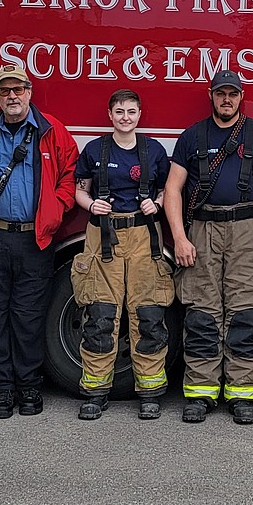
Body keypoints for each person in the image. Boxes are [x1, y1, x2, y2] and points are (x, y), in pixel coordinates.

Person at [162, 69, 253, 425]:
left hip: (249, 230)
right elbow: (172, 190)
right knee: (201, 314)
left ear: (241, 96)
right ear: (211, 95)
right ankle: (200, 393)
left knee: (246, 314)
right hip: (202, 230)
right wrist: (180, 238)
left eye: (232, 94)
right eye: (221, 94)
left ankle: (242, 394)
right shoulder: (192, 136)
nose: (226, 99)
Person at [0, 63, 79, 419]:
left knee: (29, 318)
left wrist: (56, 210)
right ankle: (1, 389)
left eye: (18, 89)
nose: (12, 97)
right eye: (4, 91)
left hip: (35, 240)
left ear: (29, 92)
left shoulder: (52, 132)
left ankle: (29, 387)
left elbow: (69, 176)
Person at [72, 89, 173, 421]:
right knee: (100, 315)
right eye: (119, 112)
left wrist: (155, 203)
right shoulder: (94, 150)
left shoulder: (154, 151)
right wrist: (91, 204)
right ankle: (95, 391)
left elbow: (166, 188)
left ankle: (150, 392)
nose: (125, 117)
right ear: (110, 114)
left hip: (145, 236)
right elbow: (79, 189)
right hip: (104, 236)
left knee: (148, 315)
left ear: (139, 115)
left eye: (131, 112)